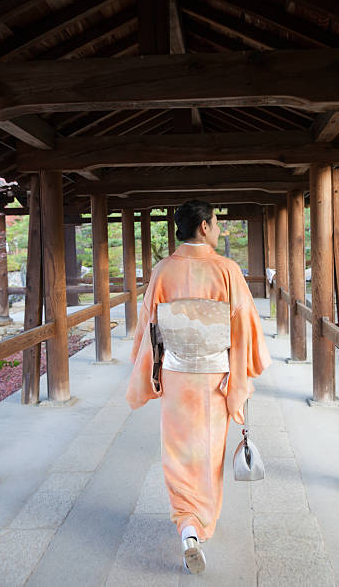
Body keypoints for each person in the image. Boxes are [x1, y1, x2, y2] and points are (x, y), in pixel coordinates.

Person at [126, 200, 271, 574]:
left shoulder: (162, 271)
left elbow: (147, 329)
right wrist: (243, 369)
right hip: (214, 379)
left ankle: (186, 525)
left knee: (176, 450)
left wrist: (149, 370)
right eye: (217, 223)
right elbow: (245, 326)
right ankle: (200, 523)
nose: (219, 229)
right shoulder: (225, 270)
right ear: (204, 227)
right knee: (208, 452)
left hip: (176, 378)